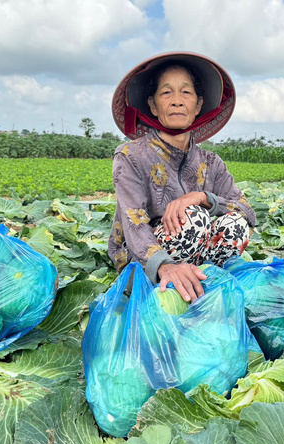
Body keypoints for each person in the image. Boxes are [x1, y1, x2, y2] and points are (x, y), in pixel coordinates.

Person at [109, 52, 256, 302]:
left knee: (235, 224)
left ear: (198, 105)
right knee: (193, 218)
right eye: (166, 93)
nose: (177, 101)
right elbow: (134, 226)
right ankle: (169, 294)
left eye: (185, 93)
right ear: (153, 106)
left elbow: (248, 212)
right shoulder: (130, 156)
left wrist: (201, 197)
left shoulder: (212, 163)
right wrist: (166, 266)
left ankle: (201, 288)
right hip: (143, 263)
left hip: (197, 257)